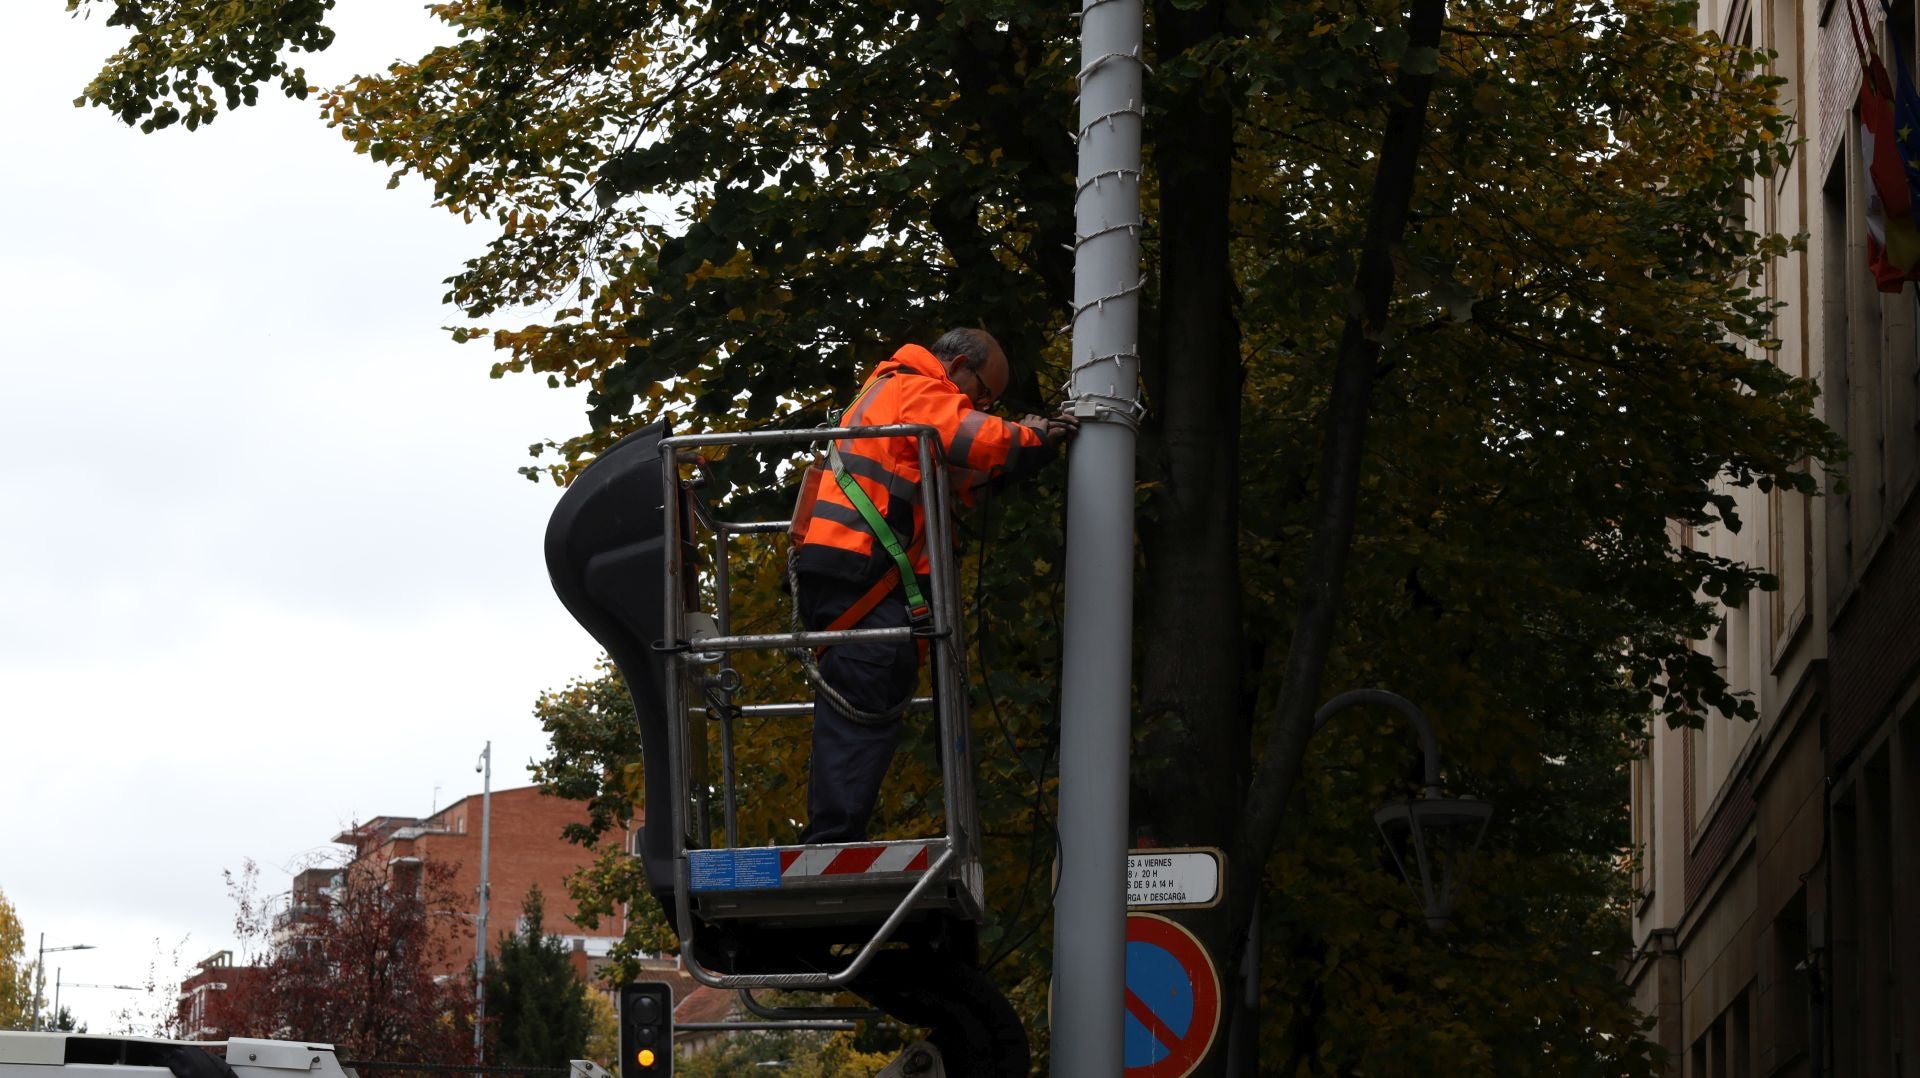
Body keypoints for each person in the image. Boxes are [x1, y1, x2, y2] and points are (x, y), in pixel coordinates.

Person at [790, 328, 1076, 844]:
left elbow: (963, 474)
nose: (981, 406)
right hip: (861, 572)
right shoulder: (916, 386)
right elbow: (978, 437)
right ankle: (829, 843)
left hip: (851, 573)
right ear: (961, 364)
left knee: (867, 692)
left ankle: (832, 835)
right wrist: (1031, 436)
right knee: (867, 692)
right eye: (984, 395)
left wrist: (1021, 455)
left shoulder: (892, 397)